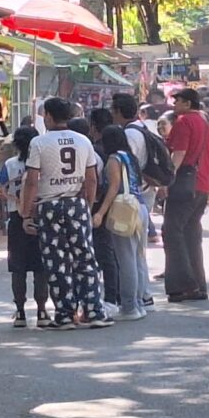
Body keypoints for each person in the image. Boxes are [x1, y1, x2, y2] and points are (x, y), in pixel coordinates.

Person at [21, 97, 112, 330]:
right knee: (85, 257)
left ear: (49, 116)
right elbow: (91, 179)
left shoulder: (39, 143)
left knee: (57, 260)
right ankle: (94, 310)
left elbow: (32, 181)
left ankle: (64, 313)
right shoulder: (83, 141)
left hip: (49, 205)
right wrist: (88, 207)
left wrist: (26, 214)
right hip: (77, 204)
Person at [162, 88, 209, 302]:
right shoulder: (207, 123)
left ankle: (184, 285)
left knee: (172, 231)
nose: (174, 105)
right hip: (202, 184)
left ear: (187, 103)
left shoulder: (184, 122)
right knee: (192, 234)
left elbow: (179, 154)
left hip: (184, 183)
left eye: (178, 101)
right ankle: (198, 285)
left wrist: (166, 180)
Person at [92, 125, 149, 321]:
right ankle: (139, 303)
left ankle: (129, 306)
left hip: (124, 209)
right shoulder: (130, 157)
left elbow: (114, 187)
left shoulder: (114, 160)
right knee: (138, 257)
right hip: (140, 206)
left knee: (125, 260)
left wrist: (100, 212)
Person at [0, 126, 50, 327]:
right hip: (39, 215)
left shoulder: (10, 164)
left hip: (17, 217)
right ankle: (42, 311)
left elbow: (1, 188)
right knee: (40, 266)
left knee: (18, 267)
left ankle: (20, 312)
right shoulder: (42, 164)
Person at [112, 92, 160, 259]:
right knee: (138, 252)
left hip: (133, 193)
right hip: (145, 189)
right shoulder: (141, 128)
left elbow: (128, 165)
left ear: (118, 111)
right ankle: (141, 286)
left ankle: (134, 286)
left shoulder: (129, 135)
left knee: (129, 254)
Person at [87, 108, 119, 309]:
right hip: (111, 204)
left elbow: (97, 182)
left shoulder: (96, 151)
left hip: (99, 204)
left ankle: (110, 298)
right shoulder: (115, 150)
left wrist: (97, 209)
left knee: (103, 252)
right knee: (111, 252)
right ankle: (114, 295)